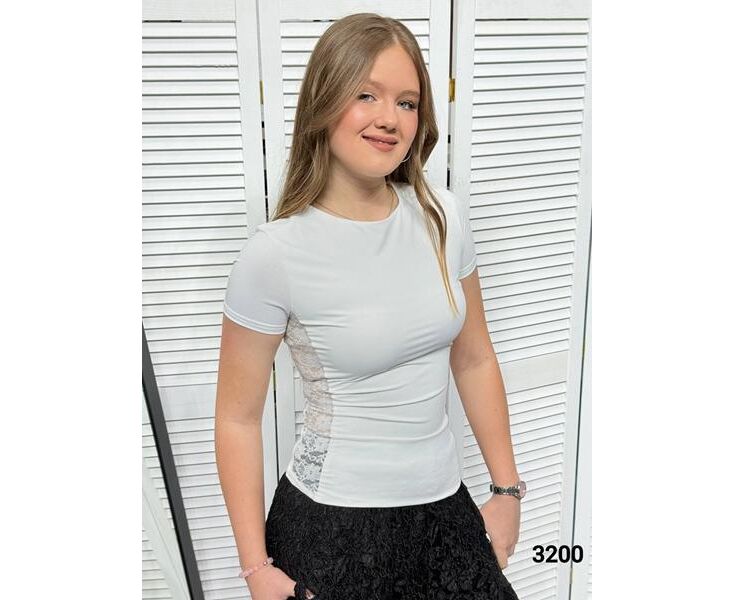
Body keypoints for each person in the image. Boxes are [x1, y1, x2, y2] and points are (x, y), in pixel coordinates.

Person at [215, 12, 524, 600]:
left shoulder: (442, 217)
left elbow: (475, 358)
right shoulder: (274, 255)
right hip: (332, 528)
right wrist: (255, 569)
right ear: (323, 101)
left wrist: (507, 492)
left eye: (407, 103)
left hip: (445, 510)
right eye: (366, 95)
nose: (390, 118)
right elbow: (237, 418)